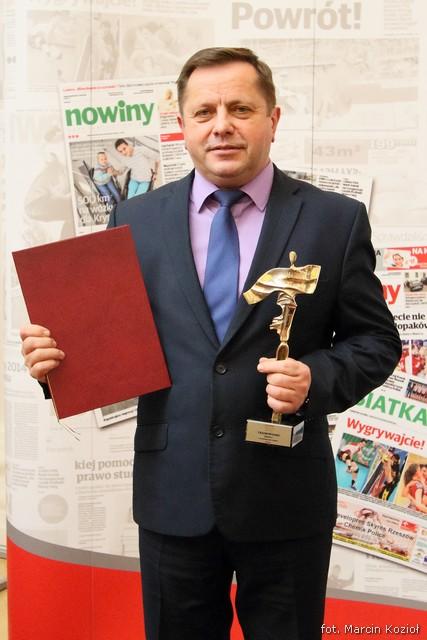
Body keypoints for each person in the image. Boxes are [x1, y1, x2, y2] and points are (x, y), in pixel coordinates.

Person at [20, 47, 401, 640]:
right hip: (173, 494)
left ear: (272, 119)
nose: (221, 125)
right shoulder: (135, 218)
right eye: (204, 112)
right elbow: (109, 344)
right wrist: (56, 365)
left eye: (240, 108)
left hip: (285, 498)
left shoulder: (335, 219)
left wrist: (315, 379)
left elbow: (375, 340)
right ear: (183, 124)